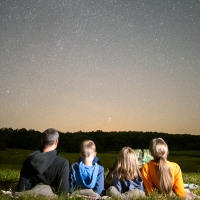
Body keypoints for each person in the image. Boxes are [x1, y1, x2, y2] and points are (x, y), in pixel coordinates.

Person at [16, 128, 70, 196]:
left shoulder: (29, 160)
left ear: (42, 141)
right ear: (56, 141)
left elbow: (22, 187)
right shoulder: (63, 163)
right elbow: (63, 192)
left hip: (31, 195)